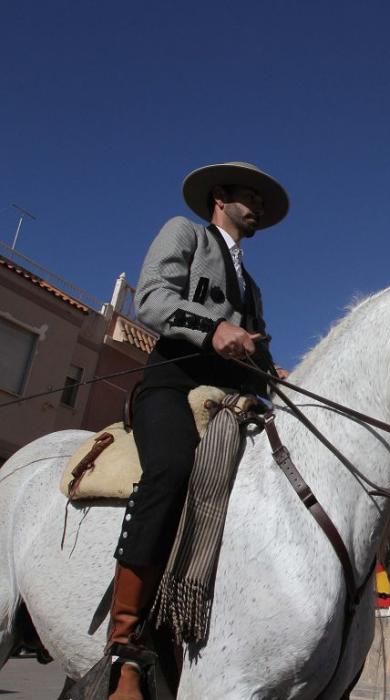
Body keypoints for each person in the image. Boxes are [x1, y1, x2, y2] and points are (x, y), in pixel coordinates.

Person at [106, 162, 289, 700]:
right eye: (248, 196)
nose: (255, 206)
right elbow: (154, 298)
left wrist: (275, 375)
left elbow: (256, 347)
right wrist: (213, 331)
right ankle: (126, 642)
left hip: (235, 398)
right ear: (219, 197)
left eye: (260, 198)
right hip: (173, 385)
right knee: (171, 469)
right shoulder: (183, 233)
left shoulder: (252, 285)